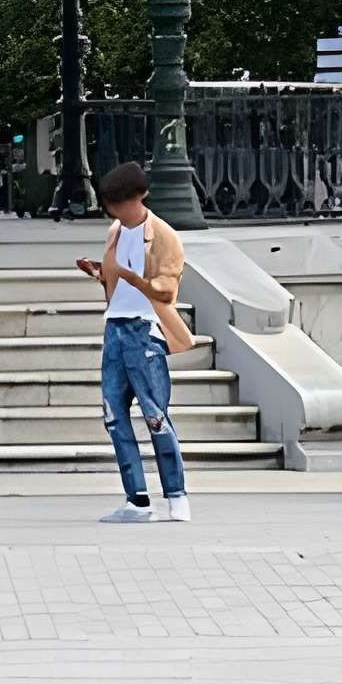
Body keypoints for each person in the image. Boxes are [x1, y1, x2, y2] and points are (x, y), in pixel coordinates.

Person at [76, 159, 193, 525]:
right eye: (111, 204)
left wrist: (129, 277)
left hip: (145, 330)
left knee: (155, 415)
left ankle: (176, 497)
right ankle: (137, 498)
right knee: (114, 415)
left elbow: (166, 289)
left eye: (120, 202)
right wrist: (102, 273)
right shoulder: (115, 231)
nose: (115, 210)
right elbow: (116, 279)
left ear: (138, 197)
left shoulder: (163, 236)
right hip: (115, 327)